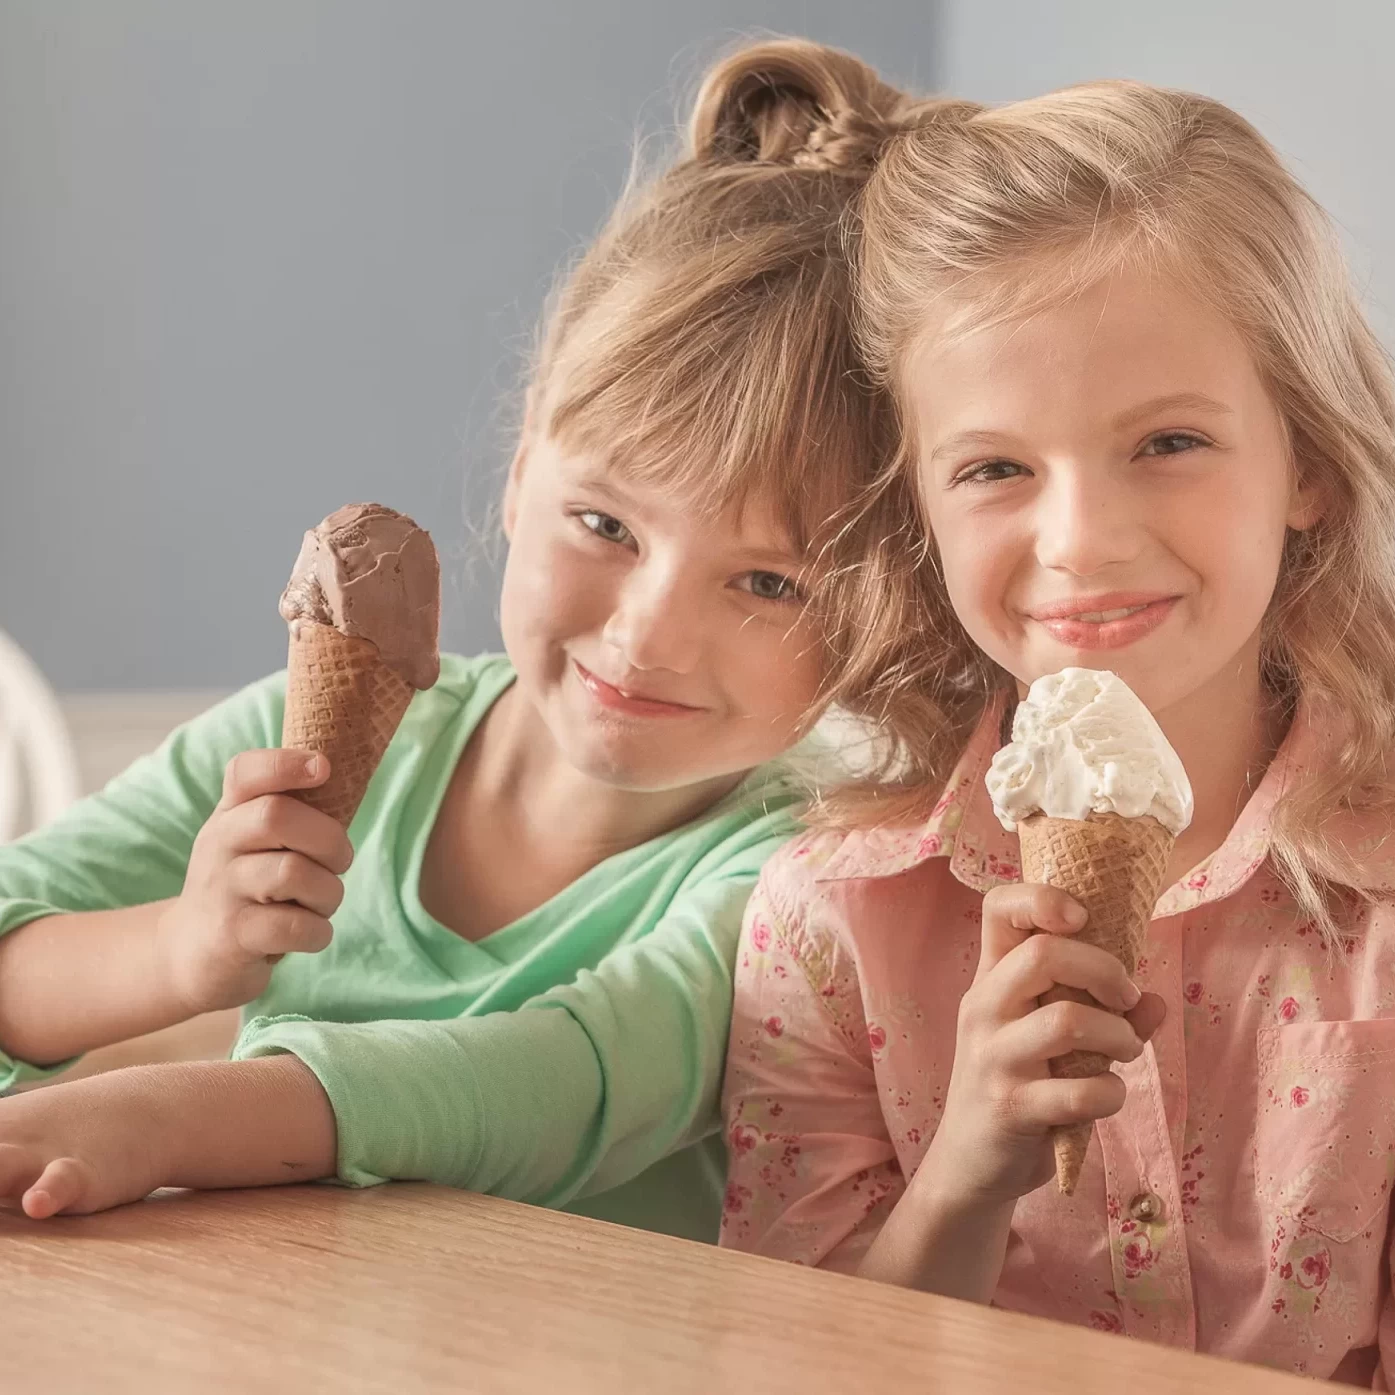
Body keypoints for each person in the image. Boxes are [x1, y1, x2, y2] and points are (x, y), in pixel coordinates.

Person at [0, 39, 912, 1242]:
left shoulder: (799, 875)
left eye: (769, 584)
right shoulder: (316, 741)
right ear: (525, 466)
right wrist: (178, 949)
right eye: (604, 524)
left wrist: (161, 1119)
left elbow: (559, 1080)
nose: (648, 635)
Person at [719, 66, 1395, 1380]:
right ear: (918, 505)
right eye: (994, 469)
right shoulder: (827, 921)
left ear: (1303, 460)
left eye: (1166, 443)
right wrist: (964, 1175)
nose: (1078, 541)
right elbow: (801, 1366)